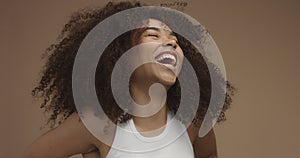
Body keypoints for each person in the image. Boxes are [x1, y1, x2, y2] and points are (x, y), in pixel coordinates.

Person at [23, 1, 235, 158]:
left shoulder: (192, 120)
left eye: (174, 39)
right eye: (153, 35)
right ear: (123, 55)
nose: (171, 42)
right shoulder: (98, 124)